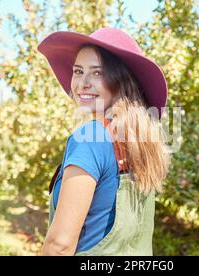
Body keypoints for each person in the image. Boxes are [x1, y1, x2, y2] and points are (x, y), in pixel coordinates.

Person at [37, 27, 170, 256]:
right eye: (78, 71)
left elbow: (59, 246)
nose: (82, 83)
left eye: (97, 73)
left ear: (120, 81)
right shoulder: (142, 144)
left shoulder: (90, 139)